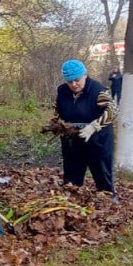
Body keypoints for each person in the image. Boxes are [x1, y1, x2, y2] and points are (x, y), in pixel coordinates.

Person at [51, 59, 117, 194]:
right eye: (70, 81)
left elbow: (112, 111)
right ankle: (72, 196)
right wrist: (54, 123)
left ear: (85, 75)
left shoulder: (98, 90)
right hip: (72, 137)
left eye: (77, 80)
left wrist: (94, 126)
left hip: (98, 138)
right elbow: (57, 109)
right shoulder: (62, 91)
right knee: (72, 173)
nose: (74, 84)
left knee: (101, 171)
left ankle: (106, 197)